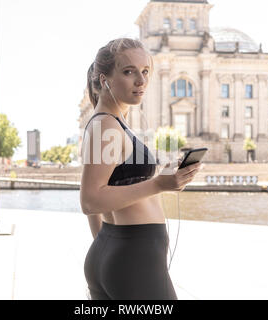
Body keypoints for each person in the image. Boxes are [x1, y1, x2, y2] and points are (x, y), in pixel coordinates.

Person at [80, 38, 203, 300]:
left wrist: (107, 246)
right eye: (128, 72)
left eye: (145, 71)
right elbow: (91, 200)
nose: (141, 80)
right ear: (105, 80)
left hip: (122, 253)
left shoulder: (109, 123)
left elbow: (102, 193)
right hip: (134, 257)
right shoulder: (106, 126)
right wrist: (159, 184)